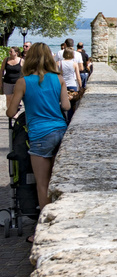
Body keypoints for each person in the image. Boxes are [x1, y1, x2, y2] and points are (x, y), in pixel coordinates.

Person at [8, 42, 70, 241]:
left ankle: (45, 230)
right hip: (60, 131)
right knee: (57, 181)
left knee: (42, 184)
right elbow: (66, 105)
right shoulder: (58, 79)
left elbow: (11, 112)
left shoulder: (23, 82)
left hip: (39, 135)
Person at [3, 47, 23, 111]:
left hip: (17, 83)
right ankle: (10, 112)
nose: (9, 53)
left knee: (16, 98)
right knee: (8, 98)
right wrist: (0, 82)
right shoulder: (6, 60)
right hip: (7, 82)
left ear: (16, 53)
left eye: (11, 52)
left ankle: (15, 111)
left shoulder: (21, 60)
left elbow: (25, 72)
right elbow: (1, 70)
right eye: (9, 51)